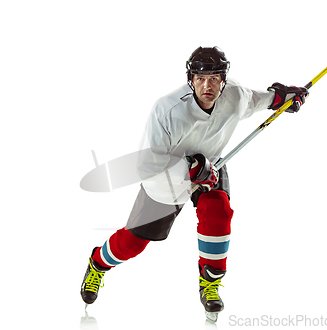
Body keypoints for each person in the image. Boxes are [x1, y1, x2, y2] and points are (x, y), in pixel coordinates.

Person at [80, 46, 308, 322]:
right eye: (200, 78)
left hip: (211, 165)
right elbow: (146, 164)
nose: (207, 85)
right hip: (164, 180)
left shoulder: (234, 95)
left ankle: (210, 284)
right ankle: (98, 263)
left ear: (223, 79)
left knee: (219, 213)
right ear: (190, 78)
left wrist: (282, 98)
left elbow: (258, 100)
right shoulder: (168, 109)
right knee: (134, 243)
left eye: (214, 78)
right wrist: (187, 168)